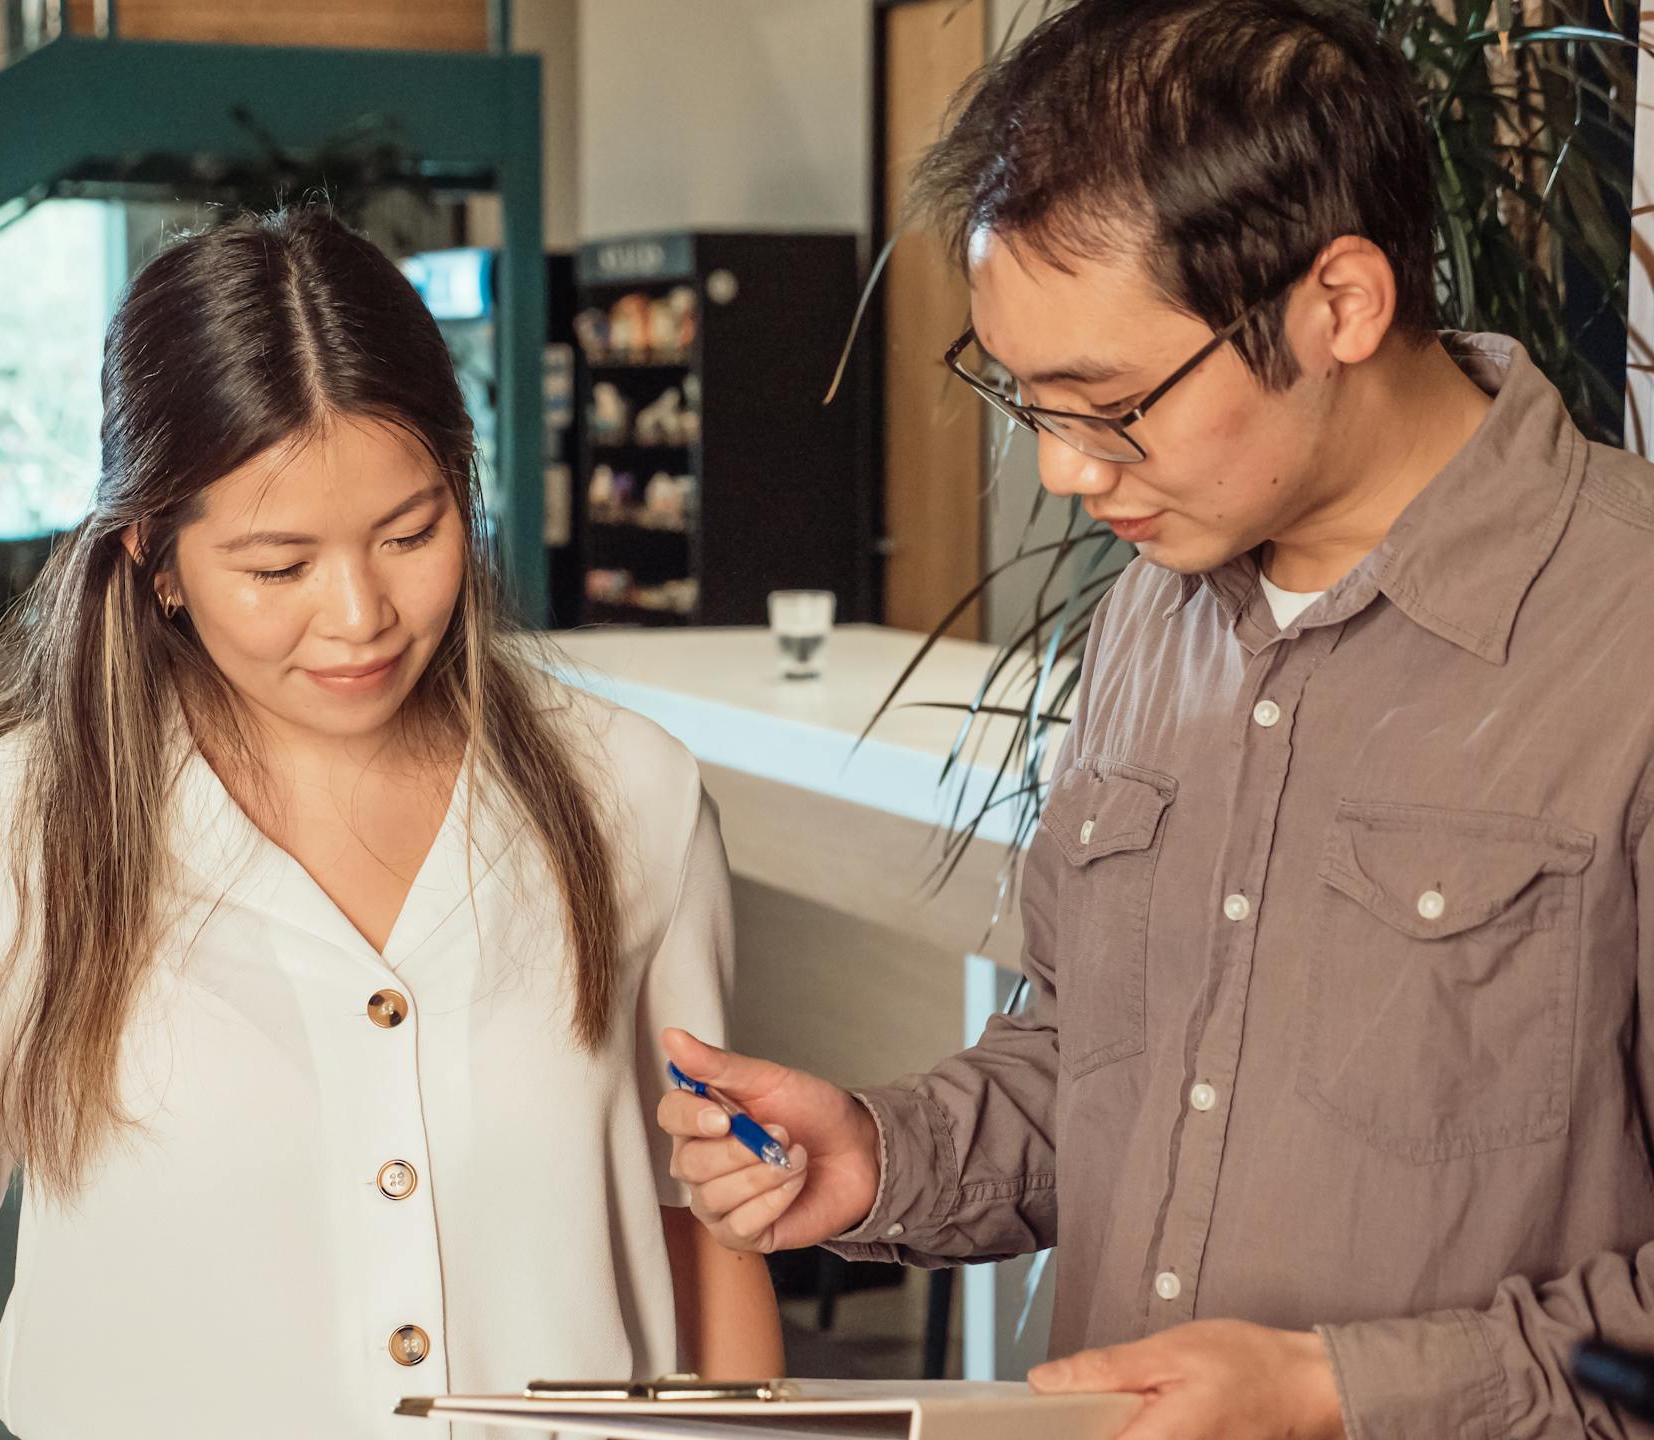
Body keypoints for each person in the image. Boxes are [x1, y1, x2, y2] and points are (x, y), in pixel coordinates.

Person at [658, 1, 1654, 1436]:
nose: (1063, 470)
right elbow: (1107, 1061)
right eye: (1026, 399)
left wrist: (1338, 1393)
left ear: (1342, 305)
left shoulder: (1623, 641)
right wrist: (882, 1155)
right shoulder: (1156, 607)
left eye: (1108, 403)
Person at [0, 204, 781, 1439]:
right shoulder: (0, 837)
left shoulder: (627, 795)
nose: (360, 615)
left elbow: (698, 1222)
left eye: (412, 532)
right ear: (154, 555)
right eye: (278, 567)